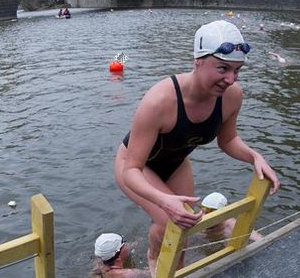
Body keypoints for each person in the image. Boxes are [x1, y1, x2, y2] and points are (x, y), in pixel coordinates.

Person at [114, 20, 280, 272]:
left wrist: (255, 157)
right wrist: (164, 201)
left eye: (237, 70)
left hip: (176, 162)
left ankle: (174, 269)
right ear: (198, 61)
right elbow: (131, 169)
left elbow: (228, 141)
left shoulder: (232, 95)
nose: (230, 79)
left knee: (185, 225)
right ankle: (153, 259)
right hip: (136, 166)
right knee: (171, 219)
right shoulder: (159, 101)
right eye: (222, 68)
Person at [199, 192, 263, 244]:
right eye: (202, 210)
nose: (204, 216)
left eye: (209, 211)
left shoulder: (233, 226)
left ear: (223, 213)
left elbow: (261, 240)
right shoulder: (200, 219)